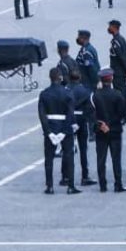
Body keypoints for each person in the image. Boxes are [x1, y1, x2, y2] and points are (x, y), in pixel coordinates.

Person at [39, 67, 79, 195]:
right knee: (69, 156)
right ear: (60, 77)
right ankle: (71, 185)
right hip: (64, 127)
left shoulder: (44, 93)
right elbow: (70, 113)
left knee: (49, 158)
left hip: (51, 125)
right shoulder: (68, 93)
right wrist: (64, 131)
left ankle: (49, 186)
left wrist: (48, 132)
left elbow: (42, 114)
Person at [91, 68, 126, 192]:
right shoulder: (117, 94)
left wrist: (101, 124)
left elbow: (91, 113)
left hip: (101, 131)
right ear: (111, 79)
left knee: (101, 158)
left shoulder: (95, 95)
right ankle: (118, 183)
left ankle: (102, 184)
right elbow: (122, 113)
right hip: (115, 130)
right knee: (116, 158)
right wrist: (110, 125)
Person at [67, 70, 96, 186]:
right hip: (81, 120)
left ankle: (66, 176)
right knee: (83, 149)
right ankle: (85, 176)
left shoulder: (66, 89)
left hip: (69, 119)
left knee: (67, 149)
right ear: (80, 78)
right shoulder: (85, 91)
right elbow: (90, 108)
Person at [107, 20, 126, 104]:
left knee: (120, 92)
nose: (108, 28)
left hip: (118, 71)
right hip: (120, 70)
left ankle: (123, 111)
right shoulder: (121, 39)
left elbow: (122, 57)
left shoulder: (116, 42)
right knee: (121, 90)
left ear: (114, 27)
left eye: (110, 26)